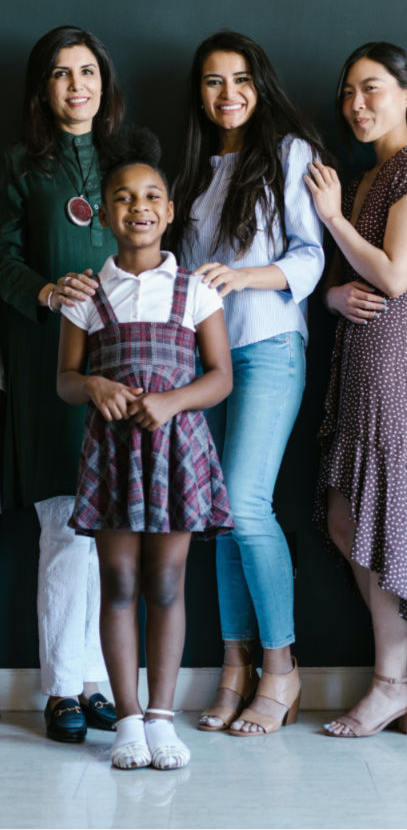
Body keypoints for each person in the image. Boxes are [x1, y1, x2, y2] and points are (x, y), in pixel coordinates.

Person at [57, 128, 233, 769]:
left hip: (176, 455)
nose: (139, 207)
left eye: (152, 195)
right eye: (124, 198)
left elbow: (219, 377)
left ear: (170, 208)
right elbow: (66, 380)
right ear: (104, 213)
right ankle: (126, 718)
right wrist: (94, 385)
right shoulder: (85, 295)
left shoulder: (196, 290)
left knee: (166, 583)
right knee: (120, 582)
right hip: (112, 458)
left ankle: (163, 718)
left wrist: (171, 401)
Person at [167, 31, 324, 736]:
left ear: (259, 84)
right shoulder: (195, 172)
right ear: (198, 94)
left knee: (246, 503)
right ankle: (233, 668)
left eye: (239, 79)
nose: (227, 94)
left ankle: (282, 669)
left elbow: (310, 257)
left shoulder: (289, 154)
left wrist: (243, 276)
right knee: (219, 514)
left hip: (269, 345)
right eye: (211, 82)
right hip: (212, 361)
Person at [305, 41, 407, 738]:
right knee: (349, 521)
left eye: (371, 88)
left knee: (383, 520)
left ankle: (391, 683)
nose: (356, 104)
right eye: (349, 92)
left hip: (395, 360)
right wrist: (335, 296)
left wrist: (334, 218)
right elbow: (363, 281)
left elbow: (397, 278)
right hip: (358, 356)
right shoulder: (373, 176)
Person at [0, 25, 124, 742]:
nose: (77, 84)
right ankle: (61, 690)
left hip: (124, 359)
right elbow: (1, 255)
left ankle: (100, 682)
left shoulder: (126, 158)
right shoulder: (19, 164)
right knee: (65, 527)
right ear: (42, 88)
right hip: (48, 358)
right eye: (61, 73)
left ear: (104, 81)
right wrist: (46, 292)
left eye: (88, 70)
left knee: (112, 529)